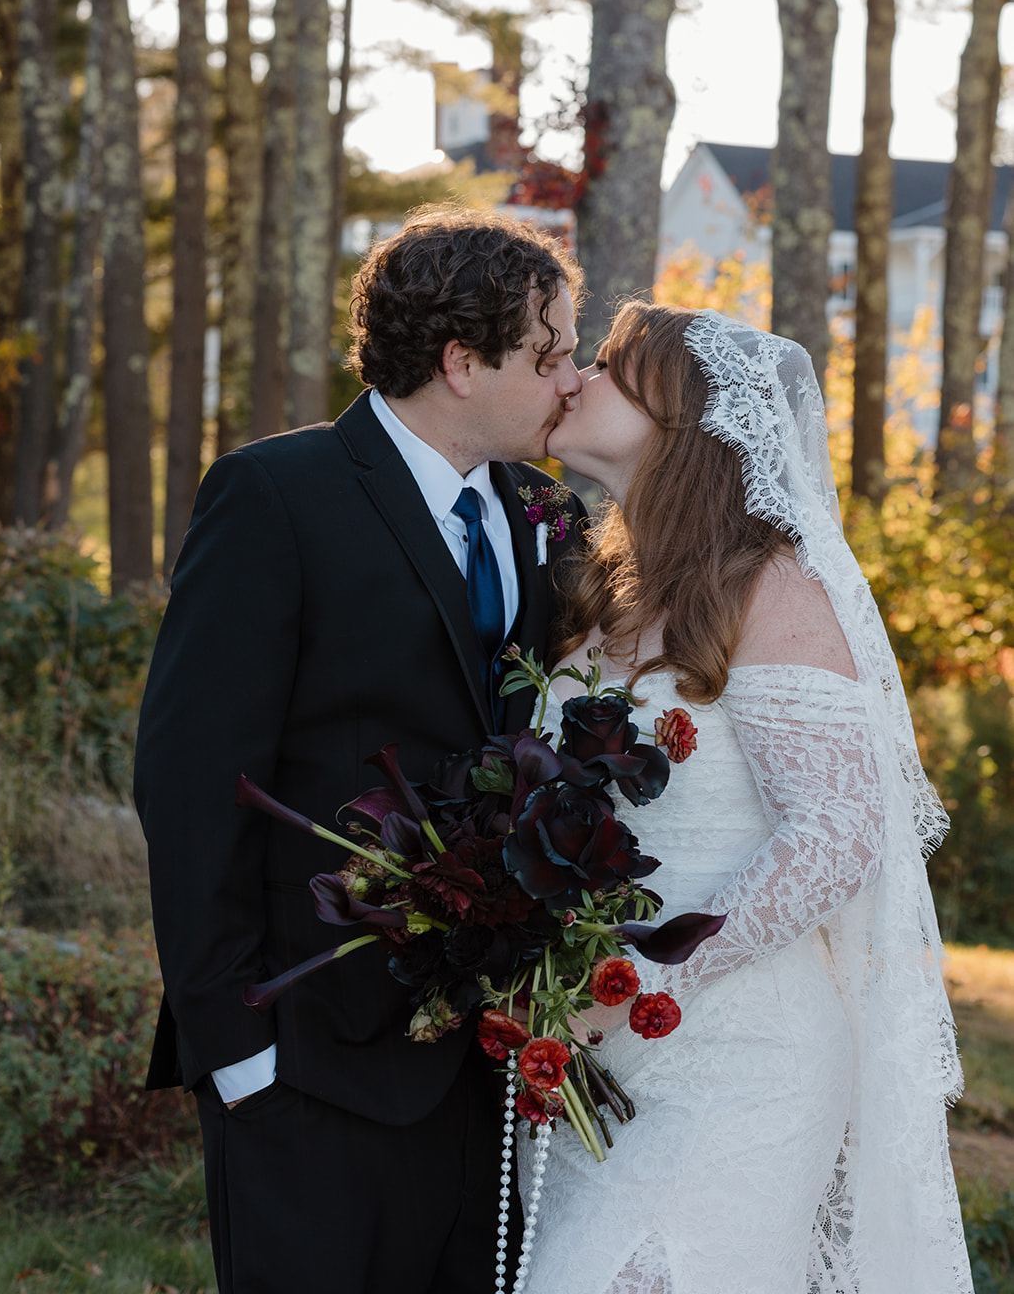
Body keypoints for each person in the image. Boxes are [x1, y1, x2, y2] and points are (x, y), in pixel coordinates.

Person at [132, 207, 586, 1294]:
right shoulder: (275, 494)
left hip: (487, 1066)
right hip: (310, 1057)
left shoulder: (545, 514)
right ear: (460, 360)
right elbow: (190, 778)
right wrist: (236, 1049)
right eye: (548, 352)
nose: (570, 379)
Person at [518, 301, 972, 1294]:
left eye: (605, 365)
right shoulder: (607, 590)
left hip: (736, 1053)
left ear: (681, 420)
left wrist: (640, 982)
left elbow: (837, 832)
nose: (573, 376)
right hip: (605, 1053)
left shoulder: (767, 586)